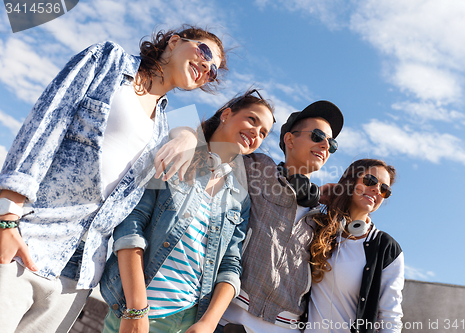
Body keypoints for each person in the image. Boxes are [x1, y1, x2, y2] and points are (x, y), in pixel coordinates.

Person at [0, 25, 227, 333]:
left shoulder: (166, 122)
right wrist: (7, 217)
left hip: (79, 275)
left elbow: (198, 150)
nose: (206, 67)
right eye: (204, 53)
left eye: (212, 71)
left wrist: (187, 134)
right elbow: (45, 123)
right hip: (26, 237)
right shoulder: (109, 60)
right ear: (174, 41)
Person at [99, 89, 276, 333]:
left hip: (190, 321)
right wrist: (136, 308)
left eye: (263, 133)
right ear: (226, 114)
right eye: (252, 120)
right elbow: (131, 224)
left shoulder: (239, 198)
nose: (256, 132)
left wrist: (208, 323)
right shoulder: (176, 152)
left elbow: (230, 264)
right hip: (137, 311)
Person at [218, 100, 344, 333]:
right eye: (317, 135)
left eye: (332, 143)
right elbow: (210, 145)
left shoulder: (322, 214)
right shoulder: (256, 169)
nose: (325, 145)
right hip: (228, 319)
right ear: (290, 140)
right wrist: (185, 132)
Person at [305, 159, 404, 333]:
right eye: (370, 181)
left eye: (384, 189)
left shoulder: (386, 249)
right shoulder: (315, 226)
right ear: (351, 181)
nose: (376, 190)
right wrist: (317, 195)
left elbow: (390, 318)